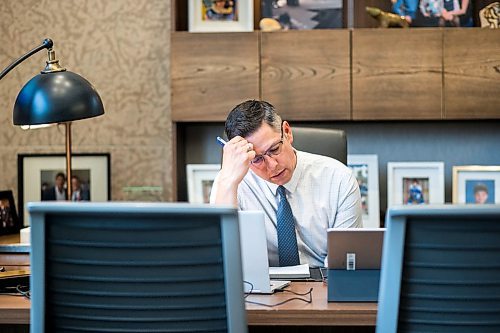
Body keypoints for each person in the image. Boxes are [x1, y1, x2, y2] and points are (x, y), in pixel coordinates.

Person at [210, 100, 362, 268]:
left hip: (323, 285)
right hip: (261, 289)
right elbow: (223, 262)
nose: (272, 165)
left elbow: (344, 265)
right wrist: (228, 182)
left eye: (275, 149)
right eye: (257, 159)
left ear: (287, 132)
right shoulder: (229, 184)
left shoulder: (339, 179)